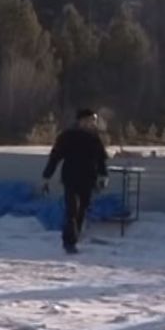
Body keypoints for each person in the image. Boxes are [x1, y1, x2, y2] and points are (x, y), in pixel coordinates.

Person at [42, 108, 109, 254]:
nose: (92, 123)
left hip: (89, 179)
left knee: (82, 211)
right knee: (72, 209)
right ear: (81, 121)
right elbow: (55, 157)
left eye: (94, 120)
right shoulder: (67, 136)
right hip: (71, 178)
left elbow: (101, 160)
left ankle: (74, 238)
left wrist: (104, 176)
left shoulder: (94, 138)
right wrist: (46, 177)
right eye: (90, 120)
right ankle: (69, 241)